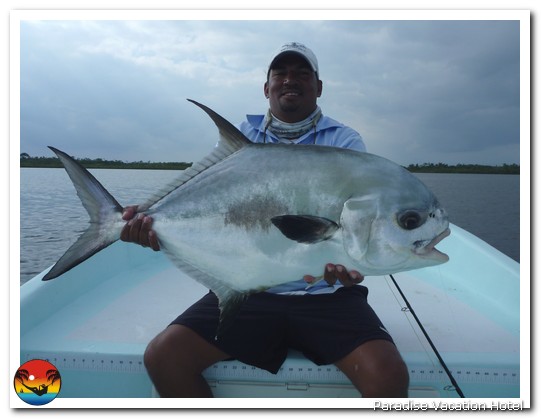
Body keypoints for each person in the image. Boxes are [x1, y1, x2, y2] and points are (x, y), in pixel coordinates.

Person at [121, 42, 409, 398]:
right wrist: (153, 222)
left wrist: (349, 262)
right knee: (164, 356)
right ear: (267, 87)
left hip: (326, 294)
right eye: (281, 74)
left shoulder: (345, 141)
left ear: (318, 87)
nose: (291, 80)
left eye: (302, 74)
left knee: (389, 376)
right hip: (250, 288)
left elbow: (357, 221)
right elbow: (208, 202)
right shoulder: (242, 140)